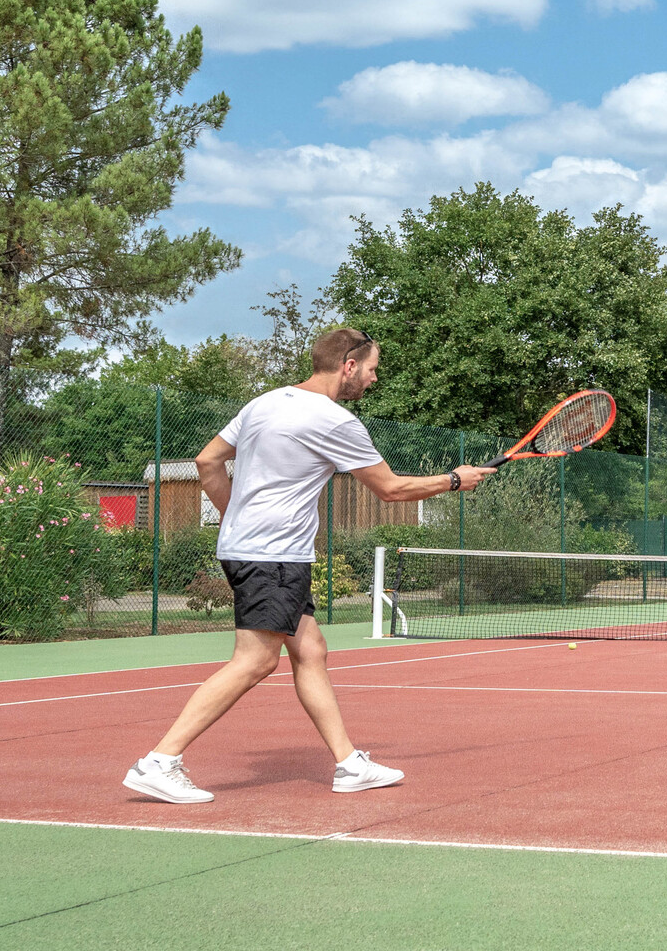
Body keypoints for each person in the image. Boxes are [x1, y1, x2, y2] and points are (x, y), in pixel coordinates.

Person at [123, 328, 495, 804]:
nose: (374, 379)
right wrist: (453, 479)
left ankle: (348, 764)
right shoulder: (334, 421)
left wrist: (234, 517)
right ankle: (160, 760)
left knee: (311, 649)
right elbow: (391, 489)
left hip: (257, 548)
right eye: (372, 368)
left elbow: (207, 459)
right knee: (255, 661)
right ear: (348, 366)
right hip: (272, 554)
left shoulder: (264, 403)